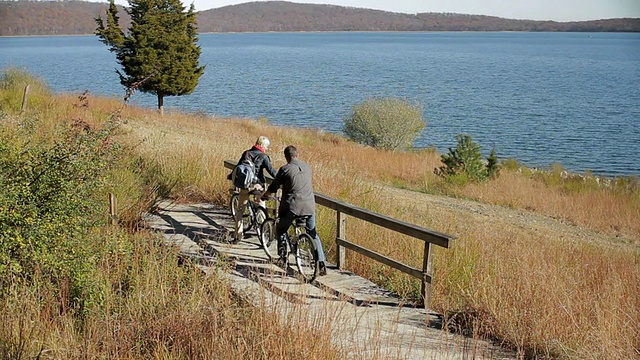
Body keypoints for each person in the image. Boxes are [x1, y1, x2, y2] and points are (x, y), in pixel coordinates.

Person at [261, 145, 327, 276]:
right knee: (313, 233)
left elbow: (274, 185)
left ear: (286, 157)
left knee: (281, 229)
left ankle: (282, 257)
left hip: (292, 206)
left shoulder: (285, 169)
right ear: (297, 154)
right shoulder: (307, 167)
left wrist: (266, 195)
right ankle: (321, 263)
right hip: (309, 205)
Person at [230, 136, 277, 242]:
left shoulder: (246, 153)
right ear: (261, 145)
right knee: (261, 206)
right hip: (258, 185)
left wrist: (230, 176)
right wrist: (281, 179)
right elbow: (272, 171)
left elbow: (238, 167)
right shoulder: (264, 156)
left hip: (245, 185)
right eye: (266, 146)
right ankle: (264, 232)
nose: (267, 148)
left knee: (240, 211)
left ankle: (238, 236)